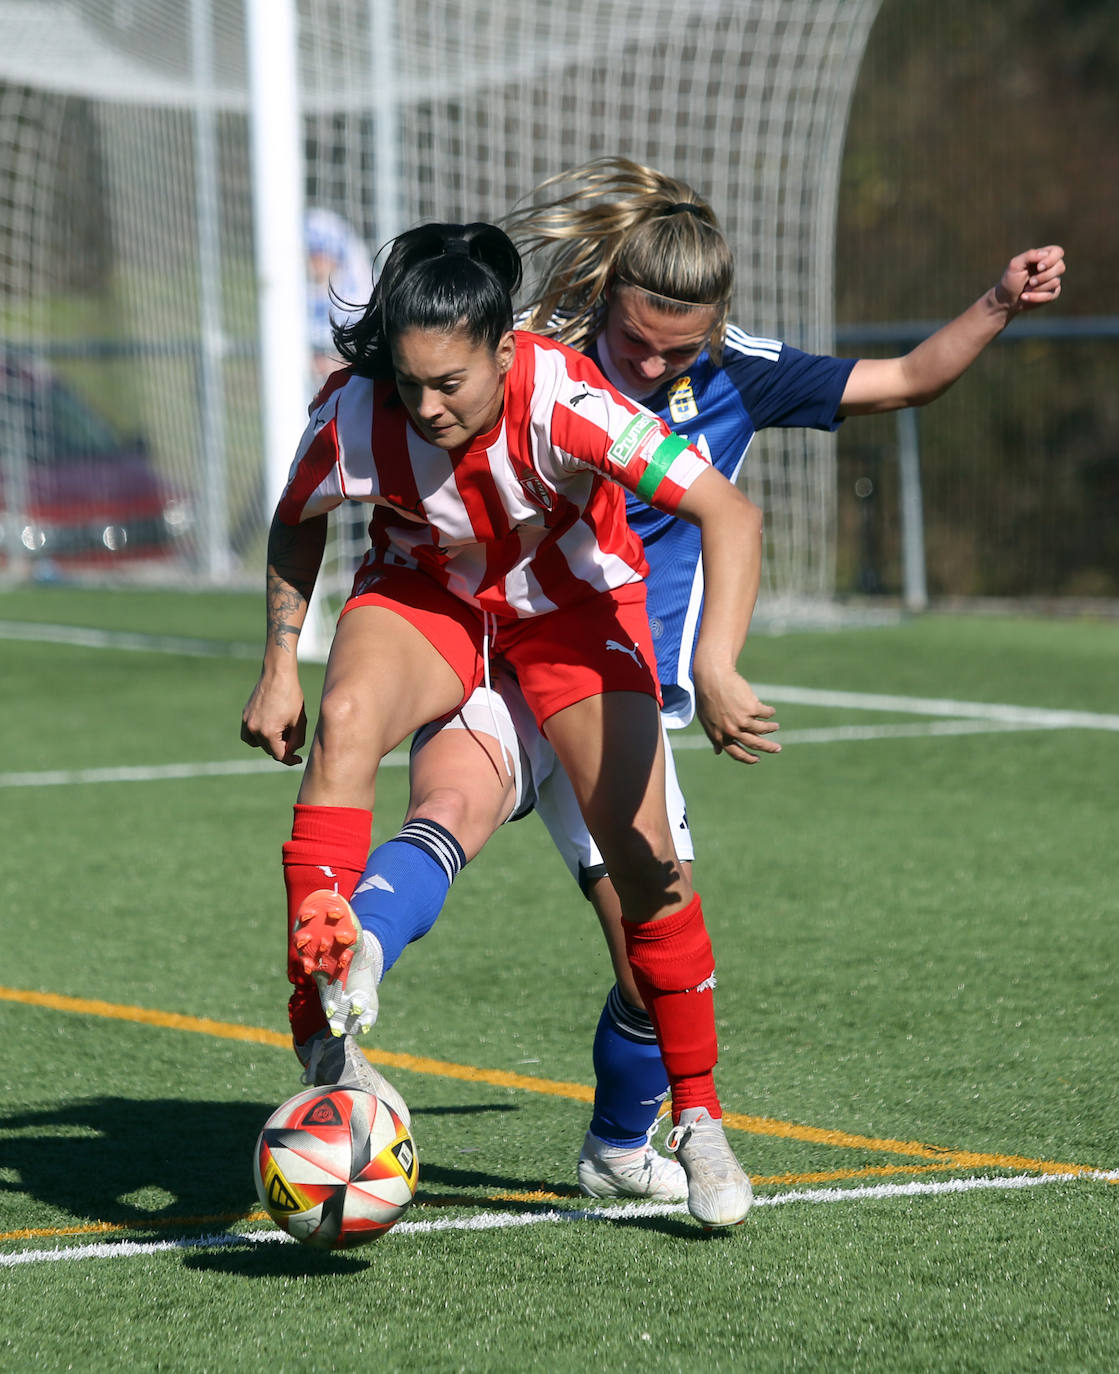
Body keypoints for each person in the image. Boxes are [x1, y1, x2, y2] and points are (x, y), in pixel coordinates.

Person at [300, 159, 1066, 1204]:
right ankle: (349, 982)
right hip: (500, 654)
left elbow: (908, 380)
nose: (654, 369)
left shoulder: (740, 374)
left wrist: (996, 302)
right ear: (604, 296)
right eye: (635, 344)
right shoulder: (529, 366)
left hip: (617, 681)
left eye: (680, 350)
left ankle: (620, 1146)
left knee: (646, 952)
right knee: (445, 808)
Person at [240, 218, 781, 1229]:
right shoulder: (357, 410)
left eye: (451, 383)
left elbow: (729, 514)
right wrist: (280, 666)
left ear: (502, 351)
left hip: (574, 619)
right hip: (429, 604)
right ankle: (324, 1002)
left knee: (647, 866)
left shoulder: (566, 396)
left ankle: (696, 1121)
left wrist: (714, 662)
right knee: (350, 714)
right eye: (410, 385)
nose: (428, 406)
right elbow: (296, 514)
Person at [305, 207, 372, 393]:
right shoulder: (295, 294)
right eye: (312, 254)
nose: (315, 262)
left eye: (320, 254)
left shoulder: (359, 292)